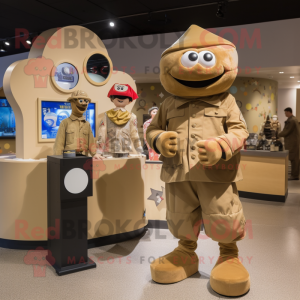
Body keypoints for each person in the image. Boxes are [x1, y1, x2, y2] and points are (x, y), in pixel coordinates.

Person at [146, 24, 249, 297]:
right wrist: (158, 140)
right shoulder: (168, 103)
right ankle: (185, 252)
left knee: (223, 215)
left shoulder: (226, 101)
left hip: (217, 175)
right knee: (180, 215)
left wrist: (221, 146)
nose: (196, 69)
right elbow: (153, 129)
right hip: (178, 174)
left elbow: (240, 131)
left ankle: (229, 255)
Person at [96, 83, 143, 158]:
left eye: (124, 97)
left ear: (129, 101)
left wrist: (139, 151)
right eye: (117, 96)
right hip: (111, 151)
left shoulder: (132, 117)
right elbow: (102, 134)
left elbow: (134, 135)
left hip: (121, 151)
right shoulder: (106, 115)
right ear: (112, 99)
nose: (121, 98)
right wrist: (99, 152)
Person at [53, 90, 102, 159]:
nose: (84, 104)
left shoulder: (87, 124)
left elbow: (91, 142)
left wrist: (94, 154)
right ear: (72, 102)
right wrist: (57, 159)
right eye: (81, 101)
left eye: (86, 101)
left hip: (84, 158)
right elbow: (59, 144)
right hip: (68, 159)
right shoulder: (65, 123)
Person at [279, 107, 300, 180]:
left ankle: (294, 175)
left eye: (285, 112)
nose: (285, 114)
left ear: (289, 112)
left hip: (292, 142)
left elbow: (286, 131)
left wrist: (277, 135)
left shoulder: (291, 121)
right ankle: (294, 174)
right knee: (294, 159)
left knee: (294, 159)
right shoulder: (294, 119)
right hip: (294, 142)